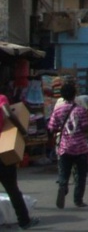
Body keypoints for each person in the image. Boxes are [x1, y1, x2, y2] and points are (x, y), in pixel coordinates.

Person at [0, 93, 40, 229]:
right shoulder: (1, 98)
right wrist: (23, 132)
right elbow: (8, 112)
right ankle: (24, 221)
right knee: (12, 188)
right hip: (3, 151)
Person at [48, 83, 88, 209]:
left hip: (64, 148)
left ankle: (62, 186)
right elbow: (85, 126)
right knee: (80, 176)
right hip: (80, 148)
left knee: (64, 173)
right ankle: (78, 200)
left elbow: (51, 127)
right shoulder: (81, 110)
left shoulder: (58, 110)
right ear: (74, 94)